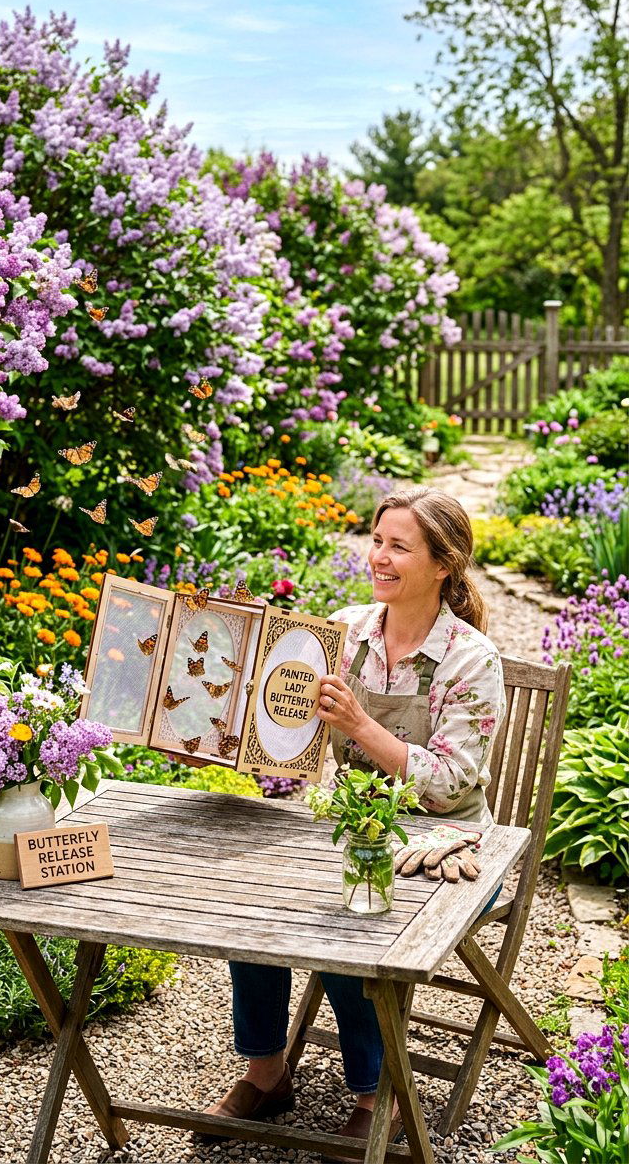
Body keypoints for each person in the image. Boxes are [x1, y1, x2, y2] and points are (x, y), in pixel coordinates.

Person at [206, 486, 506, 1148]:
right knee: (257, 898)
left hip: (446, 845)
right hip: (345, 824)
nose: (380, 556)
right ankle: (266, 1071)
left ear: (444, 564)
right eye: (376, 540)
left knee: (352, 922)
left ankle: (379, 1095)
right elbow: (298, 741)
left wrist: (362, 727)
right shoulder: (345, 633)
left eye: (400, 546)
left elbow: (449, 783)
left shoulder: (470, 659)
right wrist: (239, 728)